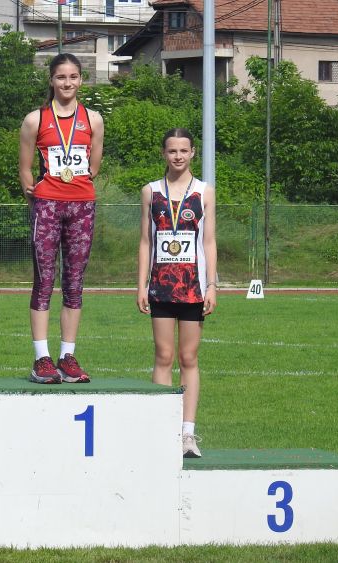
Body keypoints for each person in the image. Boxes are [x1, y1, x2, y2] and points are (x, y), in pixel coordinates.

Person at [18, 53, 105, 384]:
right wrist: (39, 195)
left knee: (74, 281)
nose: (67, 83)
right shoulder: (35, 120)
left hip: (82, 206)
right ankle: (41, 358)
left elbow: (93, 166)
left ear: (81, 80)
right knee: (44, 280)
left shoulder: (93, 119)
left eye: (73, 77)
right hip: (48, 206)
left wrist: (74, 186)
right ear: (51, 80)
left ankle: (67, 356)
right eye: (60, 77)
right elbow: (25, 168)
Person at [136, 128, 217, 458]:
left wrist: (212, 285)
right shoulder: (151, 191)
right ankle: (161, 431)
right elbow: (145, 241)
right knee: (163, 356)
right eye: (172, 151)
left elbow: (209, 241)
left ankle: (187, 433)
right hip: (161, 286)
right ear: (164, 154)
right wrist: (141, 284)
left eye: (184, 150)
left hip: (193, 287)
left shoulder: (204, 192)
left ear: (193, 152)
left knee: (188, 358)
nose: (178, 156)